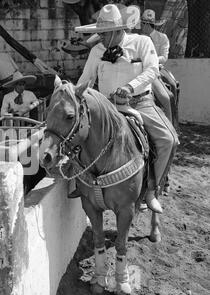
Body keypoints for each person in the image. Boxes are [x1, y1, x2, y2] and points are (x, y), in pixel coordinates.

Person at [75, 4, 179, 214]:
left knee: (169, 140)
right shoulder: (97, 51)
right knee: (74, 133)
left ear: (117, 30)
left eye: (103, 34)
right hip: (107, 109)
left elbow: (151, 71)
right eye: (99, 34)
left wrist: (129, 87)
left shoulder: (142, 42)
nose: (100, 38)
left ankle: (151, 190)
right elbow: (85, 79)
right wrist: (70, 94)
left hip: (140, 103)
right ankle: (80, 183)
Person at [140, 9, 173, 122]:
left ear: (146, 24)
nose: (141, 26)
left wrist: (152, 60)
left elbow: (164, 57)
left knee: (169, 95)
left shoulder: (162, 37)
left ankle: (171, 125)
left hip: (157, 69)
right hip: (140, 69)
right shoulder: (139, 39)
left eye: (142, 24)